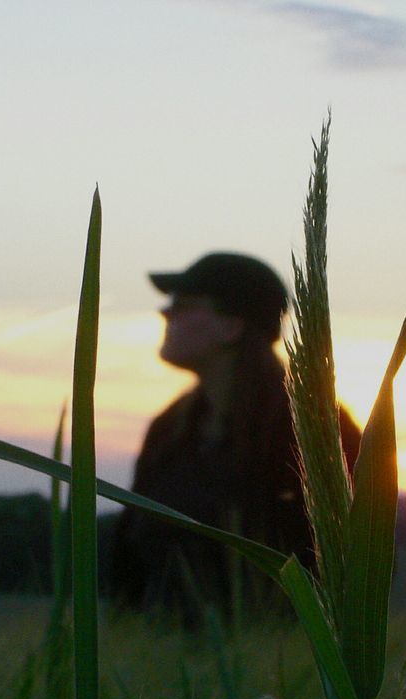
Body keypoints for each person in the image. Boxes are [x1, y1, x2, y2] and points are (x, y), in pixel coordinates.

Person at [107, 251, 360, 624]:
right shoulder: (169, 428)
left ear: (232, 326)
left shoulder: (314, 429)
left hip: (277, 664)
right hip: (165, 657)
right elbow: (129, 551)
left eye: (185, 305)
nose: (166, 313)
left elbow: (353, 561)